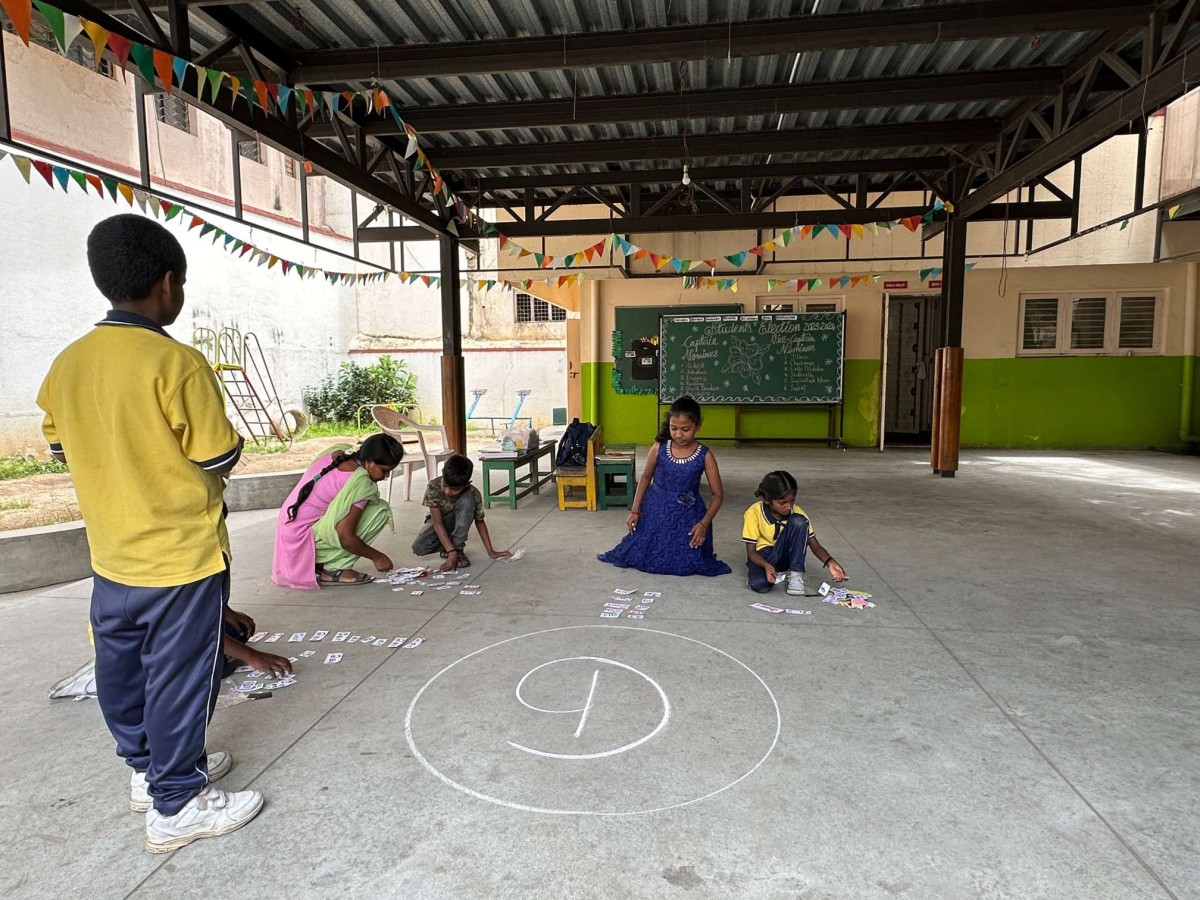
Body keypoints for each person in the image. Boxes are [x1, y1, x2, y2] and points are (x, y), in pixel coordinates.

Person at [36, 214, 261, 853]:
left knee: (124, 671)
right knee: (182, 678)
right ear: (167, 285)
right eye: (182, 285)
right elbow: (217, 457)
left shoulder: (68, 363)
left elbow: (58, 445)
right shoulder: (177, 362)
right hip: (181, 556)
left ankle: (148, 773)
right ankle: (179, 804)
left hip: (111, 556)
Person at [597, 396, 732, 576]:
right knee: (643, 554)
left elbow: (718, 495)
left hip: (689, 516)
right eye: (673, 428)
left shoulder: (705, 455)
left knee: (687, 562)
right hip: (655, 509)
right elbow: (645, 478)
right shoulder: (659, 448)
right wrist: (635, 510)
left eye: (685, 429)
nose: (678, 434)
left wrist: (703, 524)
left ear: (698, 426)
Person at [272, 434, 404, 588]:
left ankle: (319, 563)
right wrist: (378, 557)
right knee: (380, 510)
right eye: (384, 471)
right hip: (301, 540)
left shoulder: (339, 452)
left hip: (288, 530)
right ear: (368, 462)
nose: (385, 477)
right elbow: (345, 536)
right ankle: (334, 569)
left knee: (358, 507)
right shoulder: (361, 482)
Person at [743, 470, 848, 596]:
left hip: (785, 556)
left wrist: (830, 562)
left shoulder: (797, 513)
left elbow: (815, 545)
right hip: (763, 558)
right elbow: (751, 553)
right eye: (782, 503)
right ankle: (776, 572)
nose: (789, 506)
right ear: (767, 500)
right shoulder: (753, 513)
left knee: (799, 521)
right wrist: (765, 565)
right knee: (759, 585)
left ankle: (795, 575)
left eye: (792, 501)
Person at [412, 454, 510, 571]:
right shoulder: (433, 486)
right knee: (419, 547)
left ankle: (458, 549)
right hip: (440, 522)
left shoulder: (473, 493)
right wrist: (450, 551)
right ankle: (449, 547)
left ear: (467, 484)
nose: (447, 491)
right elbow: (437, 522)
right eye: (445, 485)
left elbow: (480, 521)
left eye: (454, 489)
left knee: (467, 500)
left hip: (459, 522)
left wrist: (491, 551)